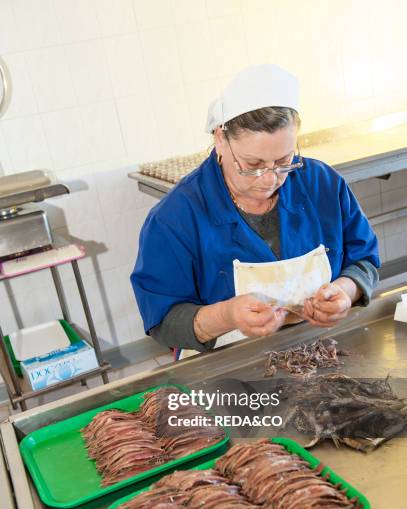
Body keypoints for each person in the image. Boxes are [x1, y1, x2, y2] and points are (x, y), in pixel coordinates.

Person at [131, 64, 380, 356]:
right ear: (220, 138)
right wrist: (227, 315)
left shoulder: (322, 183)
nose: (270, 178)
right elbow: (164, 321)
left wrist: (345, 292)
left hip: (325, 351)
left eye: (284, 161)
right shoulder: (175, 217)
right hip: (228, 367)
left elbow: (364, 261)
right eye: (252, 165)